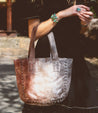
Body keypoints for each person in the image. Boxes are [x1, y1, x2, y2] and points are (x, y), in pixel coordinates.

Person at [22, 0, 98, 113]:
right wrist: (61, 14)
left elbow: (79, 31)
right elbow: (33, 33)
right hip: (48, 61)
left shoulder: (78, 1)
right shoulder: (38, 2)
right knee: (48, 106)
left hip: (74, 59)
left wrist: (84, 23)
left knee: (78, 104)